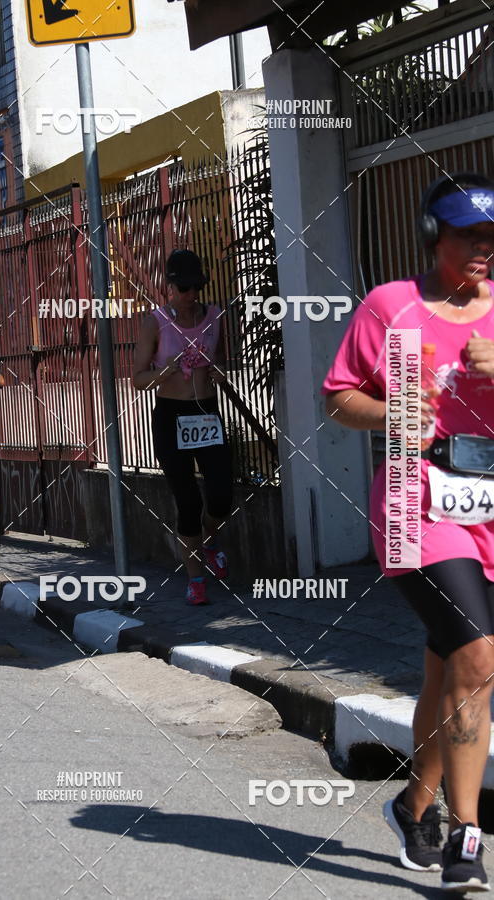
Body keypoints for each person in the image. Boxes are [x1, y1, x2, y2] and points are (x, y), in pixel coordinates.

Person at [323, 173, 494, 893]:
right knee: (479, 656)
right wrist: (392, 412)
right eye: (468, 235)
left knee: (450, 670)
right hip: (413, 501)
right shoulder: (391, 306)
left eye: (492, 236)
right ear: (433, 234)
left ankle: (412, 806)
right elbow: (339, 398)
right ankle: (466, 836)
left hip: (488, 504)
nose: (483, 248)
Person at [132, 249, 232, 605]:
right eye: (185, 288)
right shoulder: (155, 322)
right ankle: (195, 579)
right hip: (171, 415)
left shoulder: (214, 317)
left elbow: (221, 358)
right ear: (170, 287)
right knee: (188, 501)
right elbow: (137, 379)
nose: (192, 295)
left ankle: (209, 540)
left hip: (206, 413)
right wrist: (164, 371)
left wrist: (220, 371)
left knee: (221, 495)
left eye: (197, 288)